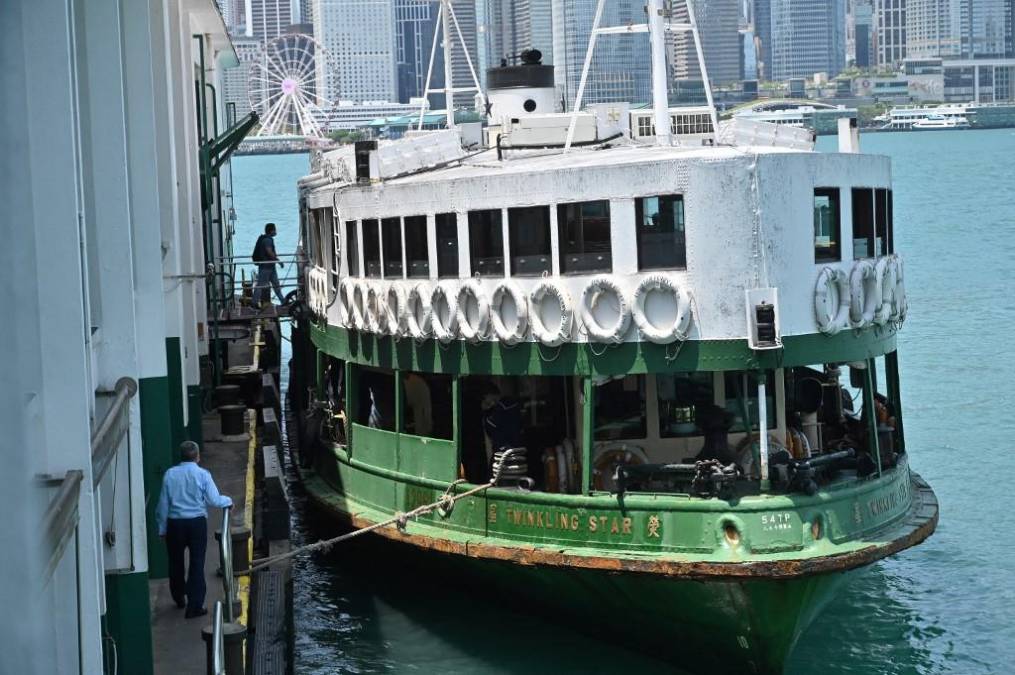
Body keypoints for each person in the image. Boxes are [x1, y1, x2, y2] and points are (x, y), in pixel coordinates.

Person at [155, 441, 233, 618]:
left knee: (175, 562)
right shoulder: (203, 475)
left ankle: (178, 597)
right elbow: (214, 500)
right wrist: (228, 501)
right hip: (196, 523)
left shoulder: (170, 475)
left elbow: (162, 505)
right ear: (198, 456)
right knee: (197, 563)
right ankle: (195, 605)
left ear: (180, 456)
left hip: (175, 524)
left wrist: (162, 528)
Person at [253, 222, 284, 306]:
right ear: (271, 231)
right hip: (266, 267)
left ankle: (283, 301)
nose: (276, 231)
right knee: (261, 285)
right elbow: (269, 252)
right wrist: (278, 261)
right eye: (275, 229)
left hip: (270, 266)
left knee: (276, 285)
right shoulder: (267, 240)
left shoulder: (267, 239)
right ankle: (254, 303)